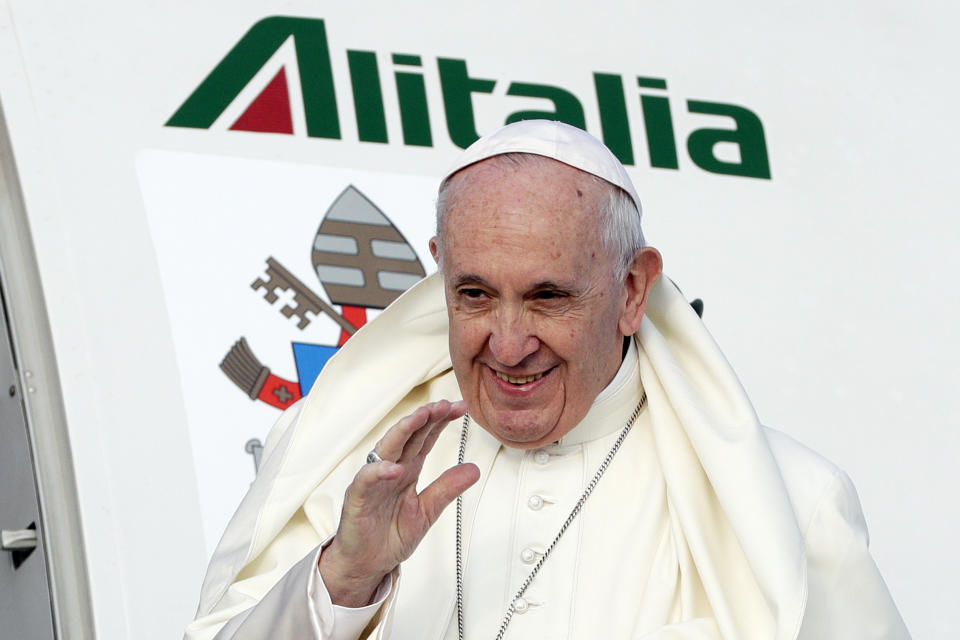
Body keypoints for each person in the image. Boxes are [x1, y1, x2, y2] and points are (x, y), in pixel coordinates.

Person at [185, 120, 909, 639]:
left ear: (631, 289)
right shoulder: (344, 461)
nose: (507, 343)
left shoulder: (790, 500)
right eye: (473, 294)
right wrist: (342, 582)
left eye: (548, 297)